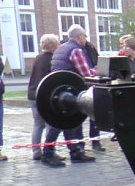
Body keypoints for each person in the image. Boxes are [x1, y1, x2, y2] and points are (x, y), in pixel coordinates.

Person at [44, 24, 96, 166]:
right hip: (70, 91)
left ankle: (75, 151)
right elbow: (86, 73)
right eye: (84, 36)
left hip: (58, 90)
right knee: (59, 124)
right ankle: (48, 154)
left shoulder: (60, 48)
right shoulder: (76, 50)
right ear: (79, 36)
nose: (85, 39)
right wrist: (99, 72)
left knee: (69, 122)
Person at [28, 34, 66, 162]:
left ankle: (36, 151)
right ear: (52, 46)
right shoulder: (52, 59)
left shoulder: (38, 58)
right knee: (51, 124)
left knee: (38, 125)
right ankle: (49, 151)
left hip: (32, 94)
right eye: (57, 44)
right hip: (44, 96)